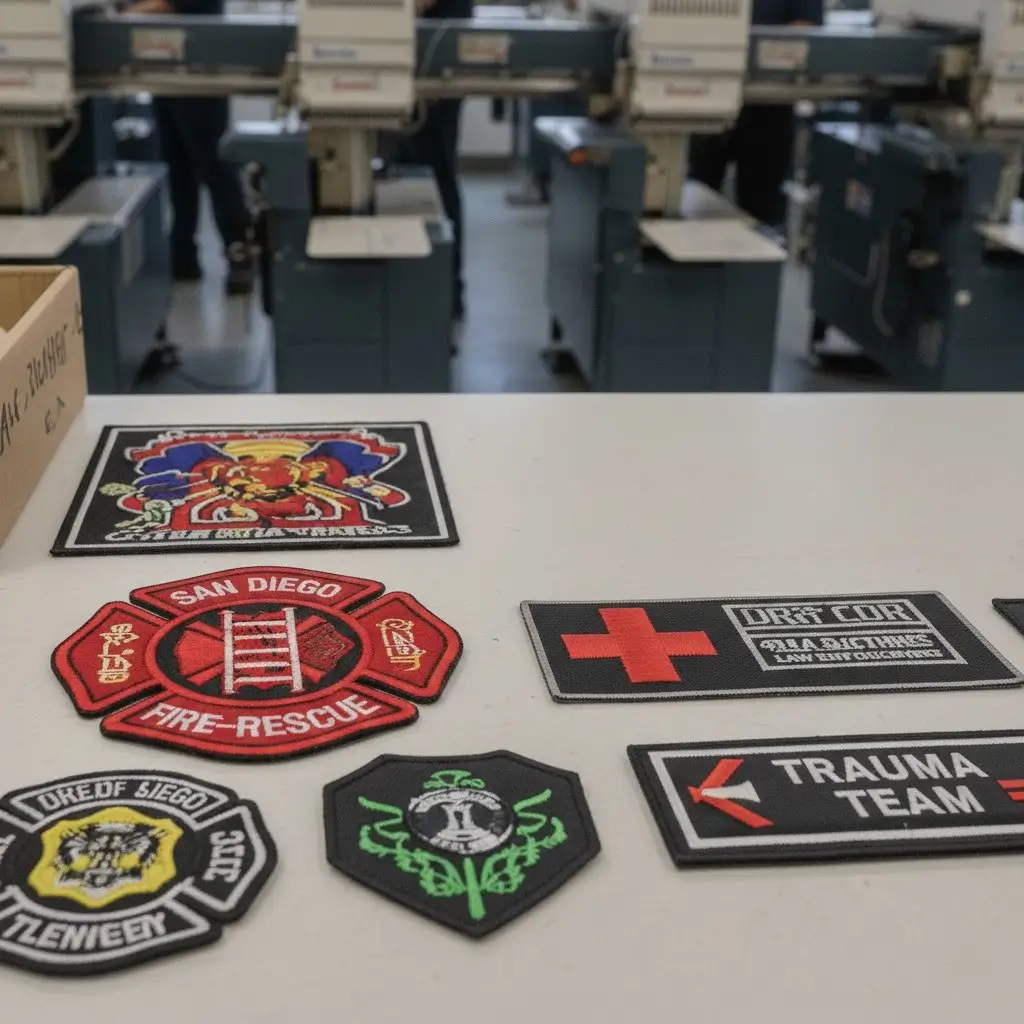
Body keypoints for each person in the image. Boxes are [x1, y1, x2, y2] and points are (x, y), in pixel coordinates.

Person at [126, 0, 254, 294]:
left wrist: (117, 16)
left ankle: (239, 253)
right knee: (179, 170)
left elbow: (166, 5)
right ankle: (183, 256)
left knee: (215, 168)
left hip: (200, 72)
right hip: (166, 72)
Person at [689, 0, 824, 229]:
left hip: (769, 106)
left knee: (761, 215)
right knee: (693, 201)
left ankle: (755, 261)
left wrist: (756, 50)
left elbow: (806, 29)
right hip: (709, 97)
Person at [400, 0, 474, 321]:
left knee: (434, 172)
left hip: (437, 46)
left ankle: (445, 291)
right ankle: (414, 283)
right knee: (405, 169)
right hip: (408, 41)